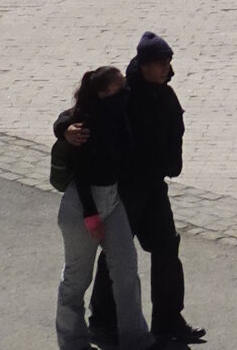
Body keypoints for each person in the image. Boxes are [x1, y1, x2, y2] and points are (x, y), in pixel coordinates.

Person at [89, 32, 202, 347]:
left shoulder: (166, 96)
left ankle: (168, 321)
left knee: (167, 248)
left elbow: (175, 132)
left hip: (154, 187)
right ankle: (101, 321)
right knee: (116, 255)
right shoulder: (123, 95)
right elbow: (82, 113)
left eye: (167, 62)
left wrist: (172, 163)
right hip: (126, 190)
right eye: (158, 62)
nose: (165, 68)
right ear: (143, 64)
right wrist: (65, 128)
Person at [53, 65, 152, 350]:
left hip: (112, 200)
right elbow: (82, 175)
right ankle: (72, 342)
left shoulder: (117, 115)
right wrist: (91, 215)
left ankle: (136, 340)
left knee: (126, 270)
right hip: (82, 207)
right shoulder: (85, 125)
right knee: (77, 277)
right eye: (118, 87)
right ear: (102, 93)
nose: (125, 91)